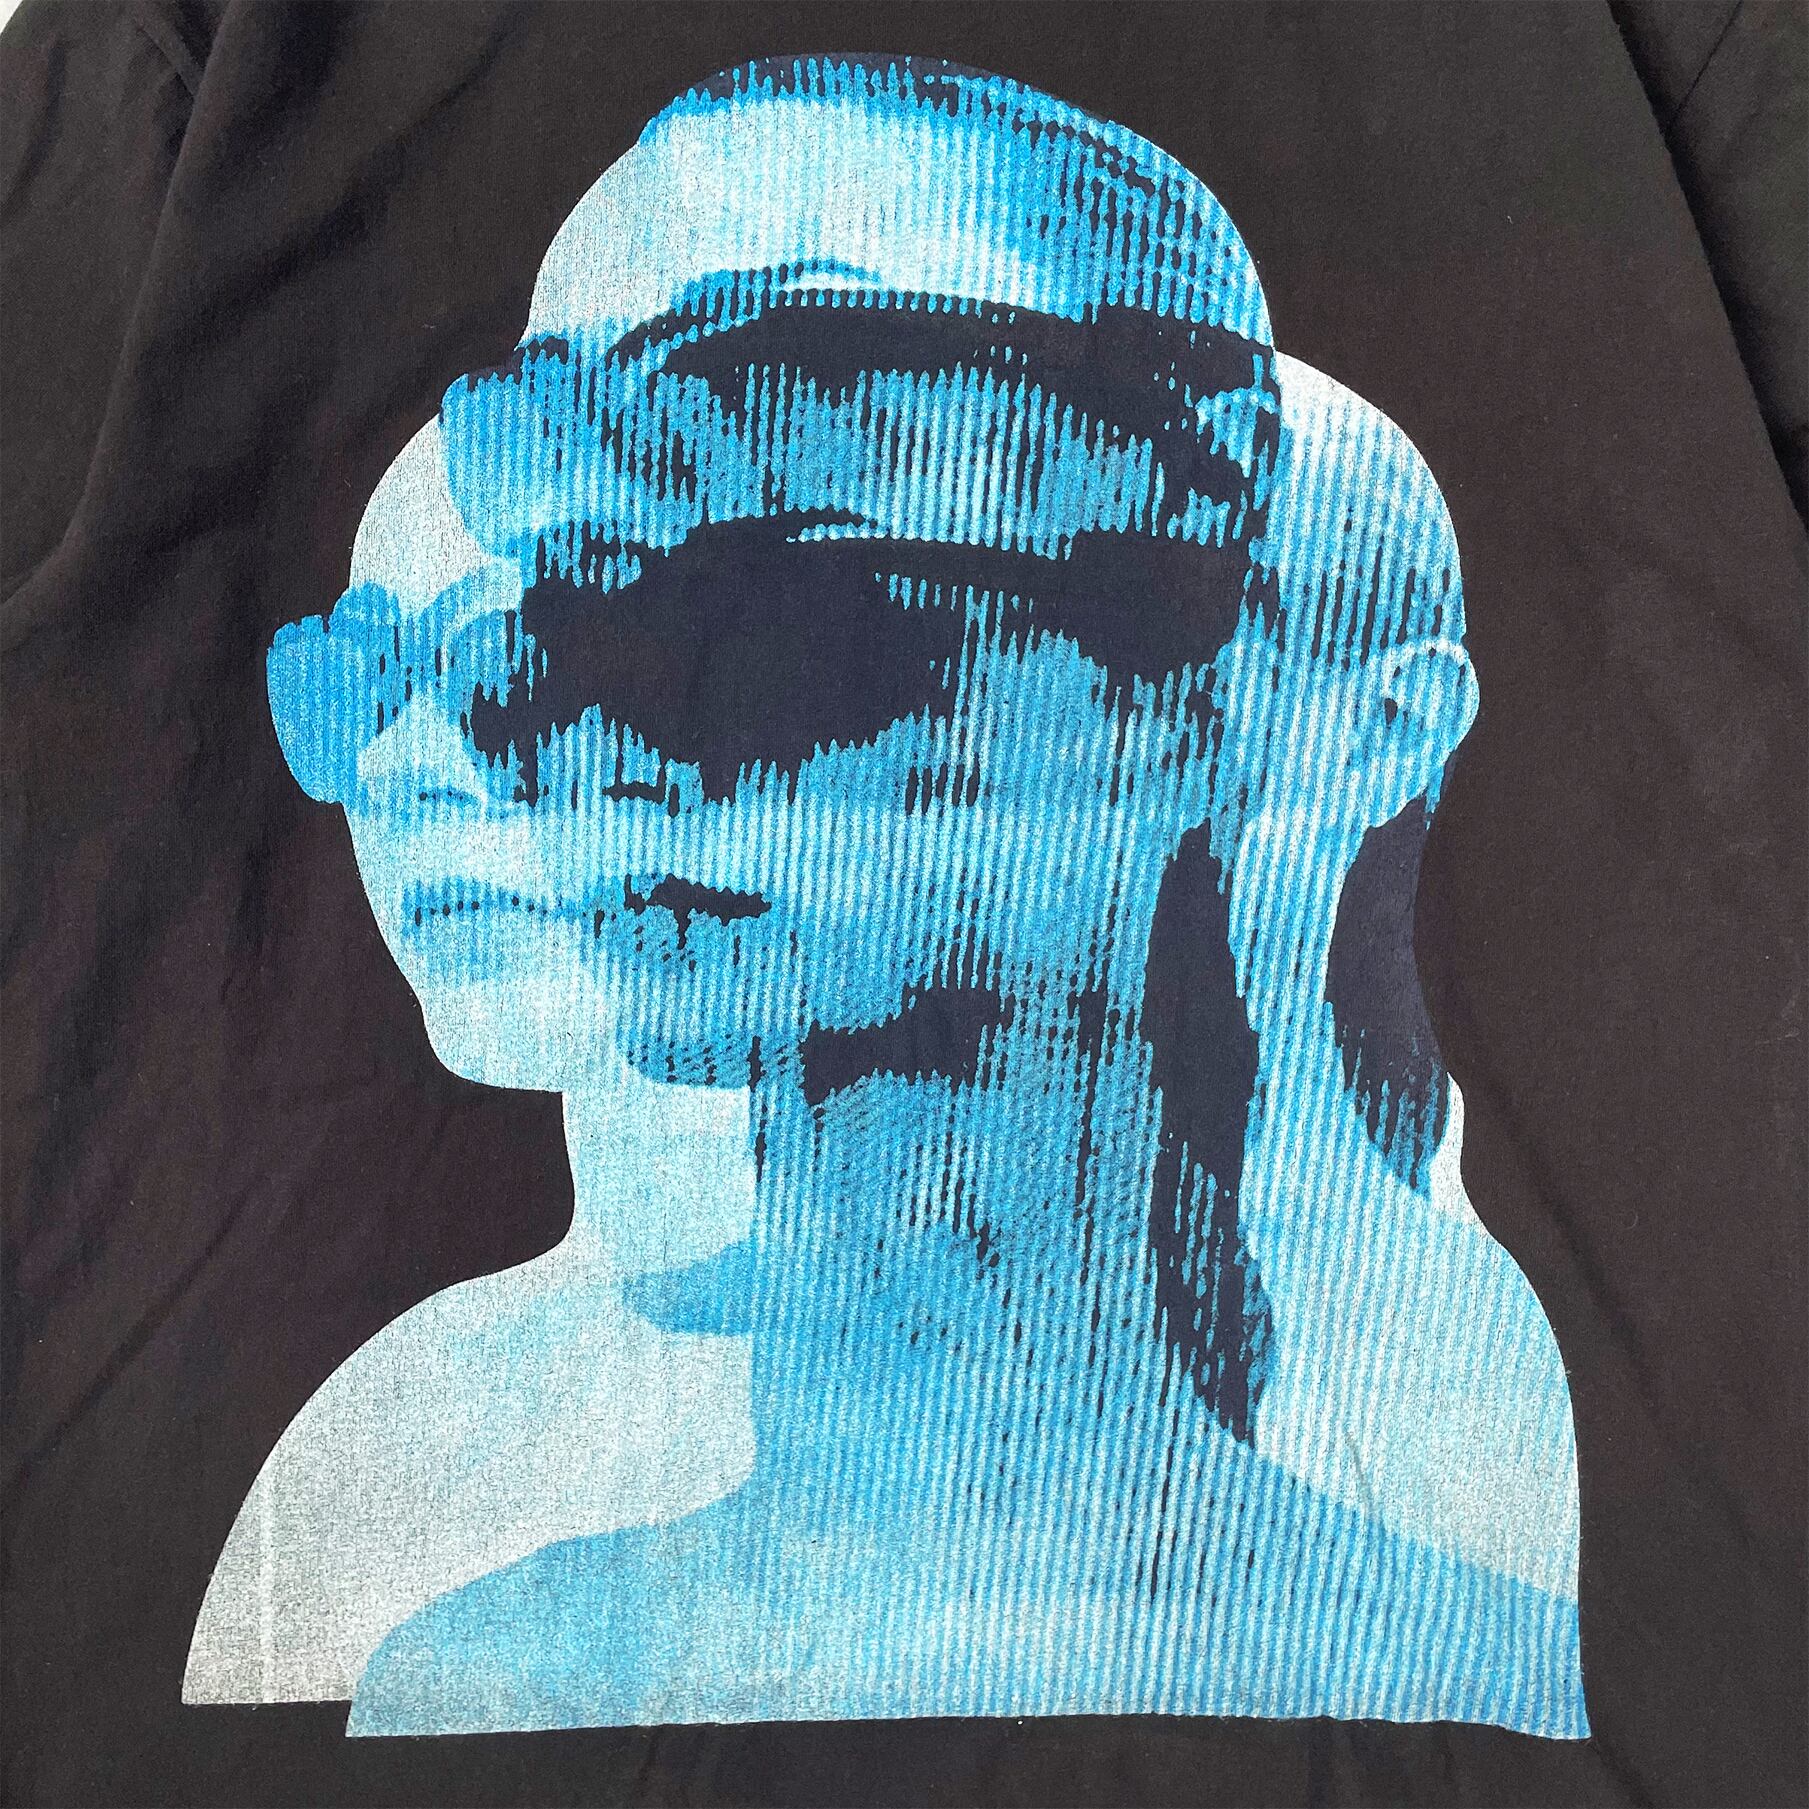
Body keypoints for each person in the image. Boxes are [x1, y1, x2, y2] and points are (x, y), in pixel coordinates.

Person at [185, 55, 1584, 1736]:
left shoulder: (1481, 1653)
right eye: (568, 531)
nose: (559, 694)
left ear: (1213, 674)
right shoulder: (460, 1662)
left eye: (784, 454)